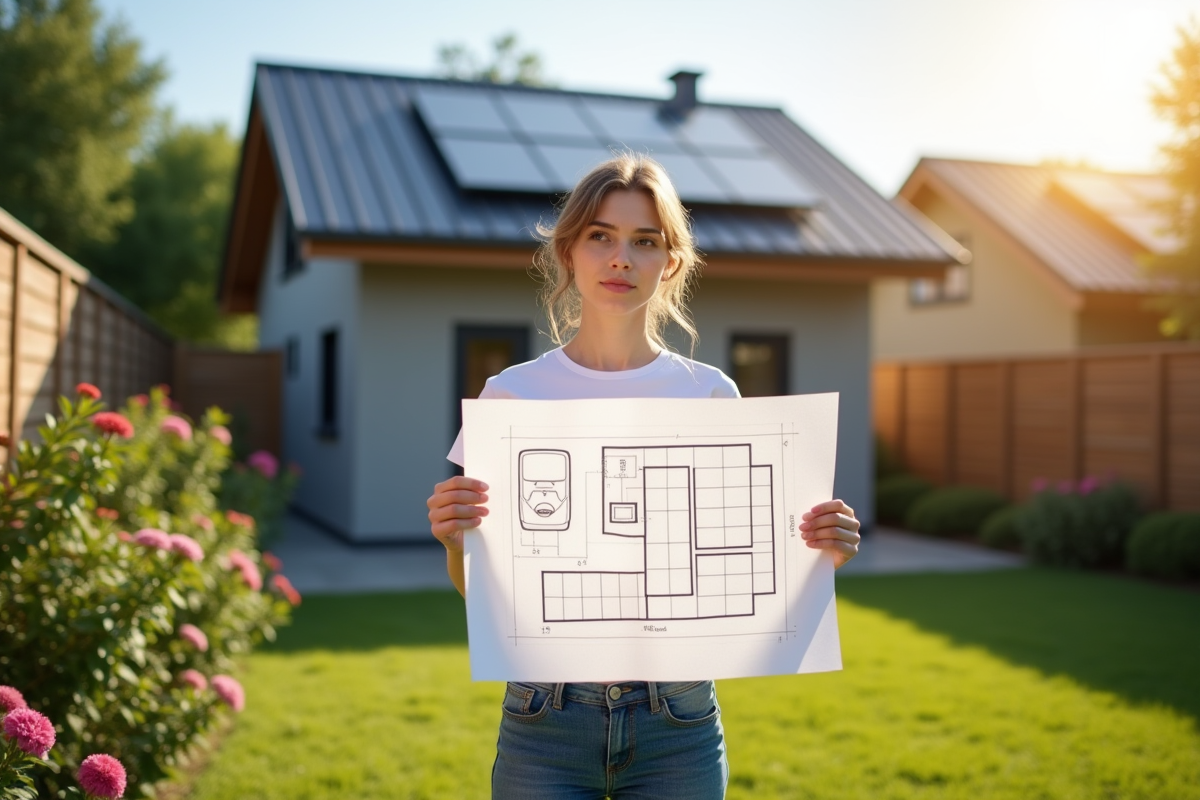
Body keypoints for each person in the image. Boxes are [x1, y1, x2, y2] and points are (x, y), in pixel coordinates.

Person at [427, 153, 861, 799]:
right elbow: (479, 594)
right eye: (601, 236)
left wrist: (823, 550)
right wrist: (453, 541)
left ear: (671, 263)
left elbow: (756, 575)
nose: (621, 258)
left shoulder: (713, 396)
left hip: (677, 722)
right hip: (543, 719)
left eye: (644, 241)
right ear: (570, 251)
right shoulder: (509, 397)